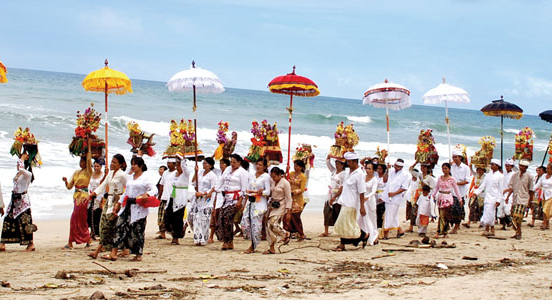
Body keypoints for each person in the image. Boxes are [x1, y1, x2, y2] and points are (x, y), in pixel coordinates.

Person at [103, 157, 157, 261]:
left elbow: (154, 189)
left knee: (137, 230)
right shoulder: (131, 178)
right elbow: (127, 191)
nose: (133, 166)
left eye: (135, 164)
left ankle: (138, 254)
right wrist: (119, 203)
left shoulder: (146, 178)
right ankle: (114, 252)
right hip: (127, 205)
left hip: (138, 206)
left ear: (140, 166)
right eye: (132, 164)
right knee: (120, 226)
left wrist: (147, 194)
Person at [88, 154, 127, 259]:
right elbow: (103, 185)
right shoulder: (110, 173)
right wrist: (93, 194)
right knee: (103, 225)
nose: (112, 164)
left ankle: (98, 251)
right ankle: (119, 249)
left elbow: (128, 188)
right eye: (112, 161)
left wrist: (121, 200)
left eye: (115, 162)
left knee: (108, 227)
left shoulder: (122, 175)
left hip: (116, 202)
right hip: (108, 201)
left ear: (120, 164)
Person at [0, 152, 36, 252]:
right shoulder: (18, 175)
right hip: (14, 200)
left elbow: (21, 169)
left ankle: (30, 243)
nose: (17, 165)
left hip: (23, 201)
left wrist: (22, 159)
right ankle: (2, 242)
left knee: (25, 222)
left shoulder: (28, 174)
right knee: (8, 220)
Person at [333, 152, 367, 250]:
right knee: (344, 224)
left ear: (354, 162)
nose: (347, 163)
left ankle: (361, 236)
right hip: (344, 200)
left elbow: (361, 192)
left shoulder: (360, 174)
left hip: (352, 202)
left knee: (346, 223)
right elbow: (343, 186)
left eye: (349, 161)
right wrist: (334, 197)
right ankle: (360, 236)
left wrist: (362, 206)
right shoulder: (347, 171)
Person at [62, 140, 93, 249]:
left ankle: (75, 241)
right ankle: (80, 240)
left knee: (78, 218)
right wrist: (66, 181)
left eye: (83, 161)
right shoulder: (76, 172)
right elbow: (70, 186)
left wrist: (88, 145)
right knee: (76, 219)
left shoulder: (89, 171)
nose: (81, 163)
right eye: (80, 161)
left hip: (83, 197)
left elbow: (89, 159)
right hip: (76, 197)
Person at [216, 154, 249, 250]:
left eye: (235, 162)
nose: (232, 164)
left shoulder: (242, 172)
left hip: (236, 198)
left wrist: (240, 201)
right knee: (221, 218)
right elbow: (221, 180)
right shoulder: (228, 169)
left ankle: (227, 241)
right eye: (231, 162)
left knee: (227, 217)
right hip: (226, 198)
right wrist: (215, 190)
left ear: (239, 162)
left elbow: (244, 188)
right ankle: (229, 241)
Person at [241, 159, 271, 253]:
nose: (258, 166)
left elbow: (268, 192)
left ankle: (253, 245)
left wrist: (261, 192)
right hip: (250, 201)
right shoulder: (251, 175)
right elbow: (247, 188)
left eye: (261, 165)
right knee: (245, 221)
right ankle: (251, 239)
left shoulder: (266, 177)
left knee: (256, 224)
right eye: (257, 164)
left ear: (265, 167)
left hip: (259, 202)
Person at [263, 167, 292, 254]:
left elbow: (288, 197)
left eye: (275, 176)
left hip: (281, 205)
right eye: (272, 176)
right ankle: (271, 247)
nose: (273, 178)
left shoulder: (285, 183)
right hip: (272, 204)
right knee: (268, 227)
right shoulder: (272, 181)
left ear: (279, 175)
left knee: (272, 223)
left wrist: (288, 211)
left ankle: (285, 234)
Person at [503, 160, 534, 239]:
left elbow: (531, 190)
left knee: (518, 216)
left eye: (523, 166)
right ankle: (518, 231)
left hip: (523, 199)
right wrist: (507, 197)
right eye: (520, 166)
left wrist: (531, 201)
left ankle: (519, 232)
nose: (521, 167)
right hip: (515, 198)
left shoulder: (529, 176)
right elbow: (511, 188)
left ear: (526, 167)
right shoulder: (515, 175)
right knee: (513, 216)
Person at [191, 157, 218, 246]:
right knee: (194, 217)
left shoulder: (212, 175)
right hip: (197, 198)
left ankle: (203, 239)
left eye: (206, 163)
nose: (204, 165)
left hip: (207, 199)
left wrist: (204, 193)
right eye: (203, 163)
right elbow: (193, 182)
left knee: (204, 219)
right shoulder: (200, 172)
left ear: (210, 165)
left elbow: (214, 187)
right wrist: (195, 172)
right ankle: (198, 238)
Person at [473, 159, 504, 237]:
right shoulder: (488, 175)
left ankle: (491, 229)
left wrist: (498, 200)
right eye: (491, 164)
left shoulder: (500, 176)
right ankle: (487, 229)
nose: (492, 166)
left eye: (494, 164)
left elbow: (501, 190)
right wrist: (476, 192)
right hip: (487, 197)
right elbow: (483, 186)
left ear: (497, 166)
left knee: (491, 214)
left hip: (494, 197)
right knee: (487, 213)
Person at [431, 163, 462, 238]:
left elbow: (456, 189)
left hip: (448, 198)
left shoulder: (452, 179)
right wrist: (432, 195)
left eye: (446, 168)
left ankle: (441, 231)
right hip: (440, 197)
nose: (444, 170)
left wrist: (460, 199)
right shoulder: (440, 178)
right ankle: (441, 231)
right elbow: (436, 188)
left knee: (445, 215)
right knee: (441, 215)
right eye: (443, 168)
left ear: (449, 169)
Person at [165, 156, 190, 245]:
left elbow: (185, 167)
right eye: (177, 165)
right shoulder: (174, 174)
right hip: (172, 197)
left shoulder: (185, 175)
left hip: (180, 198)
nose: (177, 167)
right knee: (168, 217)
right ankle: (177, 231)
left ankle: (176, 237)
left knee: (177, 218)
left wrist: (181, 158)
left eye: (179, 165)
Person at [383, 159, 409, 239]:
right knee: (393, 215)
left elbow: (404, 187)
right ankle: (399, 230)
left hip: (396, 198)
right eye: (396, 166)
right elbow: (384, 180)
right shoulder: (391, 171)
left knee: (389, 215)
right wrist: (387, 170)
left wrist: (394, 194)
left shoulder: (405, 174)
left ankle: (386, 233)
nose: (397, 168)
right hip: (388, 196)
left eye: (399, 167)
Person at [320, 155, 346, 237]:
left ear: (342, 165)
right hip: (330, 193)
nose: (337, 165)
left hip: (338, 194)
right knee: (326, 211)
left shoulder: (344, 174)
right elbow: (328, 163)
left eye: (338, 164)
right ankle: (326, 231)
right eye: (336, 163)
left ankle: (340, 230)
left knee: (338, 213)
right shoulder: (334, 171)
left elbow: (342, 187)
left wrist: (335, 197)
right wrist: (330, 156)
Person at [208, 158, 229, 243]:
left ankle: (222, 234)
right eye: (220, 163)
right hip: (217, 195)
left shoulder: (229, 174)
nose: (221, 165)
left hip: (225, 195)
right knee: (214, 215)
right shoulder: (218, 173)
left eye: (223, 163)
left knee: (222, 216)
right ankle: (211, 236)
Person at [286, 160, 308, 241]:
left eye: (297, 166)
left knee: (296, 216)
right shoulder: (291, 174)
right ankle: (292, 232)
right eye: (294, 165)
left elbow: (302, 189)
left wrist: (293, 192)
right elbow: (285, 179)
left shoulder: (303, 176)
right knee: (289, 216)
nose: (295, 167)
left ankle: (301, 232)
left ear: (301, 167)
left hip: (297, 199)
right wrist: (286, 170)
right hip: (289, 198)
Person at [157, 158, 177, 239]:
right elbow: (161, 184)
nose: (168, 164)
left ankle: (174, 235)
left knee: (171, 217)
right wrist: (160, 195)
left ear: (175, 164)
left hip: (172, 197)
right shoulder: (165, 173)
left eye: (170, 163)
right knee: (161, 216)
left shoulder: (177, 173)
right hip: (164, 197)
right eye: (168, 163)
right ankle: (162, 234)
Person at [450, 151, 470, 234]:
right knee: (450, 209)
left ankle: (456, 226)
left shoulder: (465, 168)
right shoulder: (452, 166)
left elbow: (467, 180)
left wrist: (457, 183)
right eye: (453, 157)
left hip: (460, 192)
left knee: (458, 210)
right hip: (451, 192)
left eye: (456, 157)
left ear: (460, 157)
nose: (454, 159)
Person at [362, 161, 379, 246]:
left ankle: (374, 236)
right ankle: (365, 234)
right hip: (362, 200)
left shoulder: (375, 179)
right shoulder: (363, 177)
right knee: (364, 219)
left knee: (372, 219)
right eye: (366, 168)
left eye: (369, 169)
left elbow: (373, 191)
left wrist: (367, 197)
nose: (367, 170)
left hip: (370, 201)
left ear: (373, 170)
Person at [88, 159, 104, 240]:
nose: (96, 168)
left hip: (99, 196)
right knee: (90, 214)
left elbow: (103, 187)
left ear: (101, 167)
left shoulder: (103, 175)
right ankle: (92, 231)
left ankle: (97, 232)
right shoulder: (91, 174)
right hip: (91, 195)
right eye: (95, 166)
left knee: (97, 214)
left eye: (98, 166)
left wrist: (101, 199)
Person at [498, 158, 516, 230]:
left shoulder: (514, 174)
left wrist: (507, 191)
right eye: (506, 165)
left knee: (507, 209)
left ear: (512, 166)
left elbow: (513, 186)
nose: (507, 167)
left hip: (509, 193)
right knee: (500, 210)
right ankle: (503, 225)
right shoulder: (504, 173)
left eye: (508, 166)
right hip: (502, 193)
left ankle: (510, 221)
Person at [534, 163, 552, 230]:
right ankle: (547, 223)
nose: (547, 170)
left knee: (545, 209)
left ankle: (544, 223)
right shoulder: (544, 176)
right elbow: (538, 184)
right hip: (544, 195)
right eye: (547, 168)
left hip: (550, 195)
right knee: (544, 208)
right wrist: (532, 189)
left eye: (549, 169)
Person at [403, 169, 419, 233]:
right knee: (409, 211)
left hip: (416, 196)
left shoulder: (418, 180)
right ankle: (411, 225)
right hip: (409, 195)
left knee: (414, 211)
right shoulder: (410, 179)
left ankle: (412, 226)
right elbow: (407, 186)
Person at [375, 164, 387, 233]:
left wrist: (383, 196)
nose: (378, 170)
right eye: (378, 169)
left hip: (382, 195)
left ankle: (380, 226)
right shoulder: (376, 176)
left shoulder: (385, 178)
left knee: (380, 211)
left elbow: (386, 188)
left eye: (380, 169)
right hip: (375, 195)